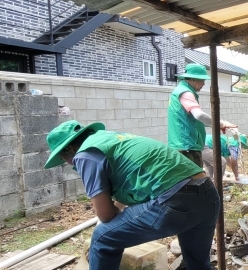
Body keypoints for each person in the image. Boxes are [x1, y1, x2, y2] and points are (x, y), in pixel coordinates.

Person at [43, 120, 219, 270]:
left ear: (69, 150)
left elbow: (106, 214)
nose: (67, 163)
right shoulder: (114, 140)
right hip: (208, 195)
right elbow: (122, 197)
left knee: (103, 238)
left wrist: (103, 231)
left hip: (176, 199)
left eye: (63, 158)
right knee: (198, 265)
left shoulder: (86, 155)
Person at [167, 63, 236, 168]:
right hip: (187, 147)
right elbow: (199, 115)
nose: (204, 83)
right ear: (193, 79)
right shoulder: (186, 93)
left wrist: (219, 124)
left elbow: (193, 121)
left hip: (185, 145)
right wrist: (219, 123)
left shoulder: (180, 91)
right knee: (193, 181)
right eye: (202, 80)